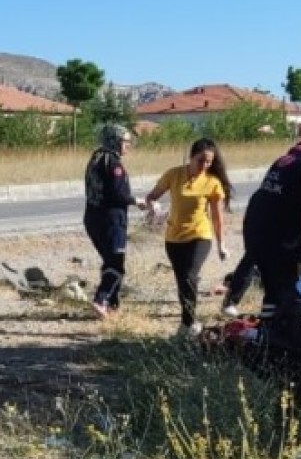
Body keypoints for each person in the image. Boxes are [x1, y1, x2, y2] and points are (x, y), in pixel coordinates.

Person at [221, 119, 301, 316]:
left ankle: (269, 321)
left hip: (255, 220)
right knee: (290, 281)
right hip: (278, 230)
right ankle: (284, 323)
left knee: (271, 280)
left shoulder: (285, 160)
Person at [144, 138, 231, 335]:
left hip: (200, 235)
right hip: (174, 238)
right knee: (182, 280)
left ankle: (189, 323)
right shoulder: (174, 174)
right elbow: (152, 196)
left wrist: (221, 245)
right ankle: (187, 324)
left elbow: (218, 217)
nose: (204, 165)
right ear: (191, 157)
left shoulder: (212, 182)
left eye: (209, 162)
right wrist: (153, 205)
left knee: (190, 275)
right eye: (201, 160)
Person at [82, 123, 143, 319]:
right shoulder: (113, 164)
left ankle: (112, 305)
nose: (128, 145)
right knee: (116, 263)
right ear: (114, 141)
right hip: (111, 221)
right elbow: (118, 194)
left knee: (109, 261)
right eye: (125, 141)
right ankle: (102, 299)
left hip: (92, 218)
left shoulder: (95, 159)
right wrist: (137, 201)